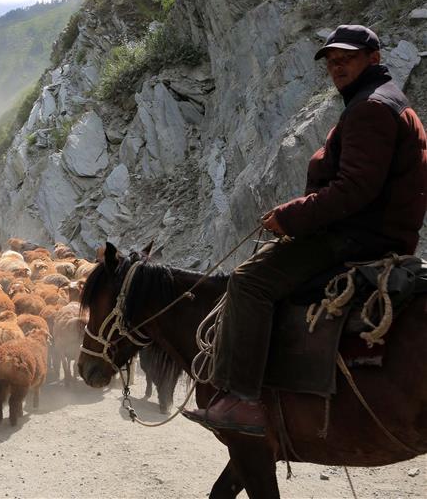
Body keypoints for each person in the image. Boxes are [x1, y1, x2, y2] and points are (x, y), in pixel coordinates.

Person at [183, 24, 427, 435]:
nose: (337, 67)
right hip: (379, 231)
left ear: (374, 58)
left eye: (347, 58)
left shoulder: (370, 108)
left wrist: (291, 216)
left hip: (356, 237)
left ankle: (243, 400)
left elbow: (354, 189)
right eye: (331, 61)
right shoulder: (386, 102)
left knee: (249, 281)